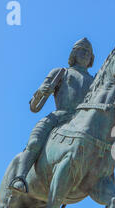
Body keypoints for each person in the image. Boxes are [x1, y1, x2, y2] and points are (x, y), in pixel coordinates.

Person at [9, 38, 95, 193]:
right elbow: (34, 107)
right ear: (74, 53)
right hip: (59, 116)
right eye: (82, 50)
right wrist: (41, 92)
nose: (85, 54)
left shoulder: (95, 81)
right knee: (35, 141)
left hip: (83, 123)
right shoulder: (61, 72)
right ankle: (20, 177)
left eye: (88, 52)